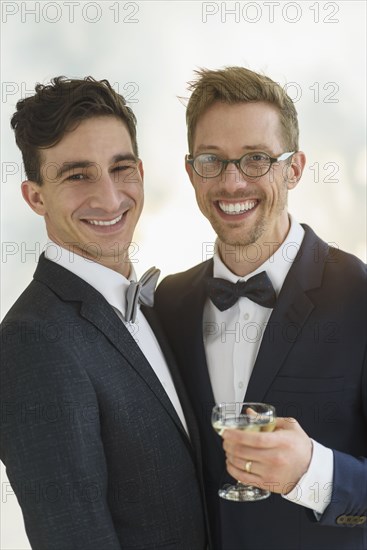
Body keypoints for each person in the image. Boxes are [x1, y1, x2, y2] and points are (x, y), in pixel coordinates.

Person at [155, 67, 367, 550]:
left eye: (256, 159)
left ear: (294, 168)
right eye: (212, 159)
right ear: (191, 171)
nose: (232, 182)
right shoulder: (168, 303)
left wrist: (313, 471)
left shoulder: (360, 294)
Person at [0, 76, 208, 550]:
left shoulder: (160, 305)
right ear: (35, 197)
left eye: (121, 168)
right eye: (77, 175)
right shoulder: (31, 341)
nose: (110, 198)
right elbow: (73, 536)